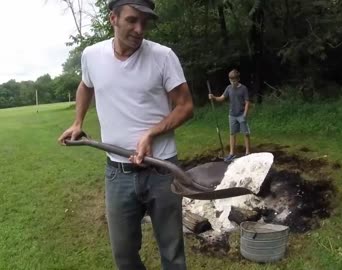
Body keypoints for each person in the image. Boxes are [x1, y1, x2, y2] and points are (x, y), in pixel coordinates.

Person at [57, 0, 193, 269]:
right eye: (132, 20)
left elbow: (186, 107)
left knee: (173, 253)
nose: (140, 29)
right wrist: (77, 121)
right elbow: (86, 85)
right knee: (124, 255)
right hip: (118, 174)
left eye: (145, 21)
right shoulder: (92, 55)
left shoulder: (162, 56)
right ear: (113, 19)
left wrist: (151, 134)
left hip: (161, 171)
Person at [209, 69, 251, 162]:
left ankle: (247, 152)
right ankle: (232, 153)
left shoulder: (243, 88)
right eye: (231, 81)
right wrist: (213, 97)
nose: (233, 82)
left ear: (238, 79)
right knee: (232, 134)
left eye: (234, 80)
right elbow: (221, 98)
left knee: (246, 133)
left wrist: (245, 114)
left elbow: (247, 102)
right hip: (232, 115)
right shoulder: (228, 88)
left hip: (241, 114)